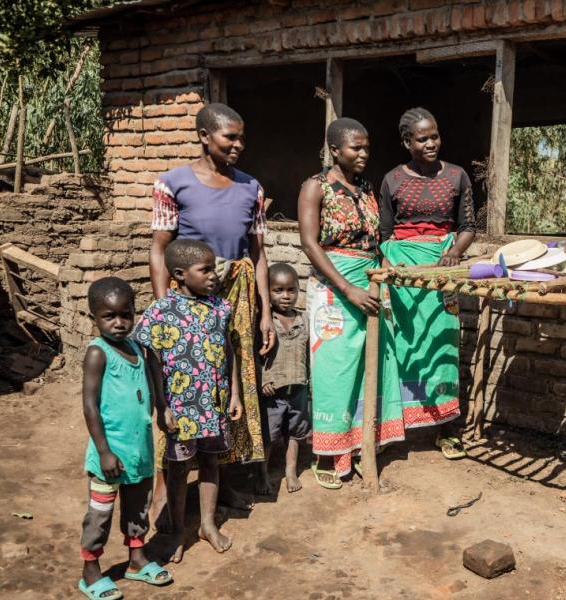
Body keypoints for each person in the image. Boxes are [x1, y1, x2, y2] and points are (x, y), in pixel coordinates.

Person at [148, 102, 272, 521]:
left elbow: (258, 254)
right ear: (204, 136)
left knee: (231, 392)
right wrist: (167, 306)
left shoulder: (250, 187)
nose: (238, 145)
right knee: (181, 394)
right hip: (188, 301)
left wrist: (265, 312)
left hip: (234, 303)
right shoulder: (172, 183)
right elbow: (160, 248)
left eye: (241, 138)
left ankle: (222, 486)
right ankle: (165, 488)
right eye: (229, 138)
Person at [297, 117, 404, 489]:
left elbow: (373, 242)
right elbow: (310, 244)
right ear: (334, 150)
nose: (363, 153)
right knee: (334, 368)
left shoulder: (366, 188)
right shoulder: (315, 188)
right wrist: (347, 289)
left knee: (368, 364)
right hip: (334, 287)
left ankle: (360, 444)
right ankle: (328, 452)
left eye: (366, 147)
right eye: (355, 147)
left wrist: (387, 268)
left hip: (370, 284)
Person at [135, 240, 243, 563]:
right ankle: (178, 530)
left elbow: (230, 351)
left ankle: (207, 524)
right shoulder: (161, 310)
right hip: (180, 409)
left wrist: (235, 392)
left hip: (215, 403)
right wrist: (161, 405)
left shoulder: (220, 307)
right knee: (179, 469)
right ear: (180, 275)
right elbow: (151, 360)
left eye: (213, 268)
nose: (213, 275)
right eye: (205, 270)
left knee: (211, 462)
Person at [379, 107, 475, 459]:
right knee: (402, 345)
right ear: (407, 142)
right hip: (404, 272)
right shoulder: (392, 180)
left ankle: (446, 427)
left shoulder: (457, 176)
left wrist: (454, 253)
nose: (431, 143)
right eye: (422, 138)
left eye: (435, 136)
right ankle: (398, 424)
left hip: (441, 269)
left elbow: (467, 227)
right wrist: (393, 267)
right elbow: (384, 234)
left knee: (442, 344)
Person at [79, 277, 172, 599]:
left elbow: (152, 380)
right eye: (109, 316)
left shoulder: (138, 349)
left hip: (139, 450)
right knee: (100, 515)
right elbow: (90, 406)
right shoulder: (97, 353)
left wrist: (163, 409)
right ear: (94, 318)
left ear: (134, 313)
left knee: (137, 509)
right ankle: (91, 571)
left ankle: (136, 559)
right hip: (109, 454)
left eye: (126, 314)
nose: (119, 323)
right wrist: (104, 451)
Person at [257, 262, 310, 495]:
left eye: (291, 290)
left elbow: (310, 353)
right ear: (267, 292)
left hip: (298, 389)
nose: (286, 296)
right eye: (278, 290)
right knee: (269, 436)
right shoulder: (265, 322)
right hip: (274, 394)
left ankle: (290, 470)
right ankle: (263, 475)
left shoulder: (303, 319)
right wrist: (263, 378)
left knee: (296, 432)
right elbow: (254, 354)